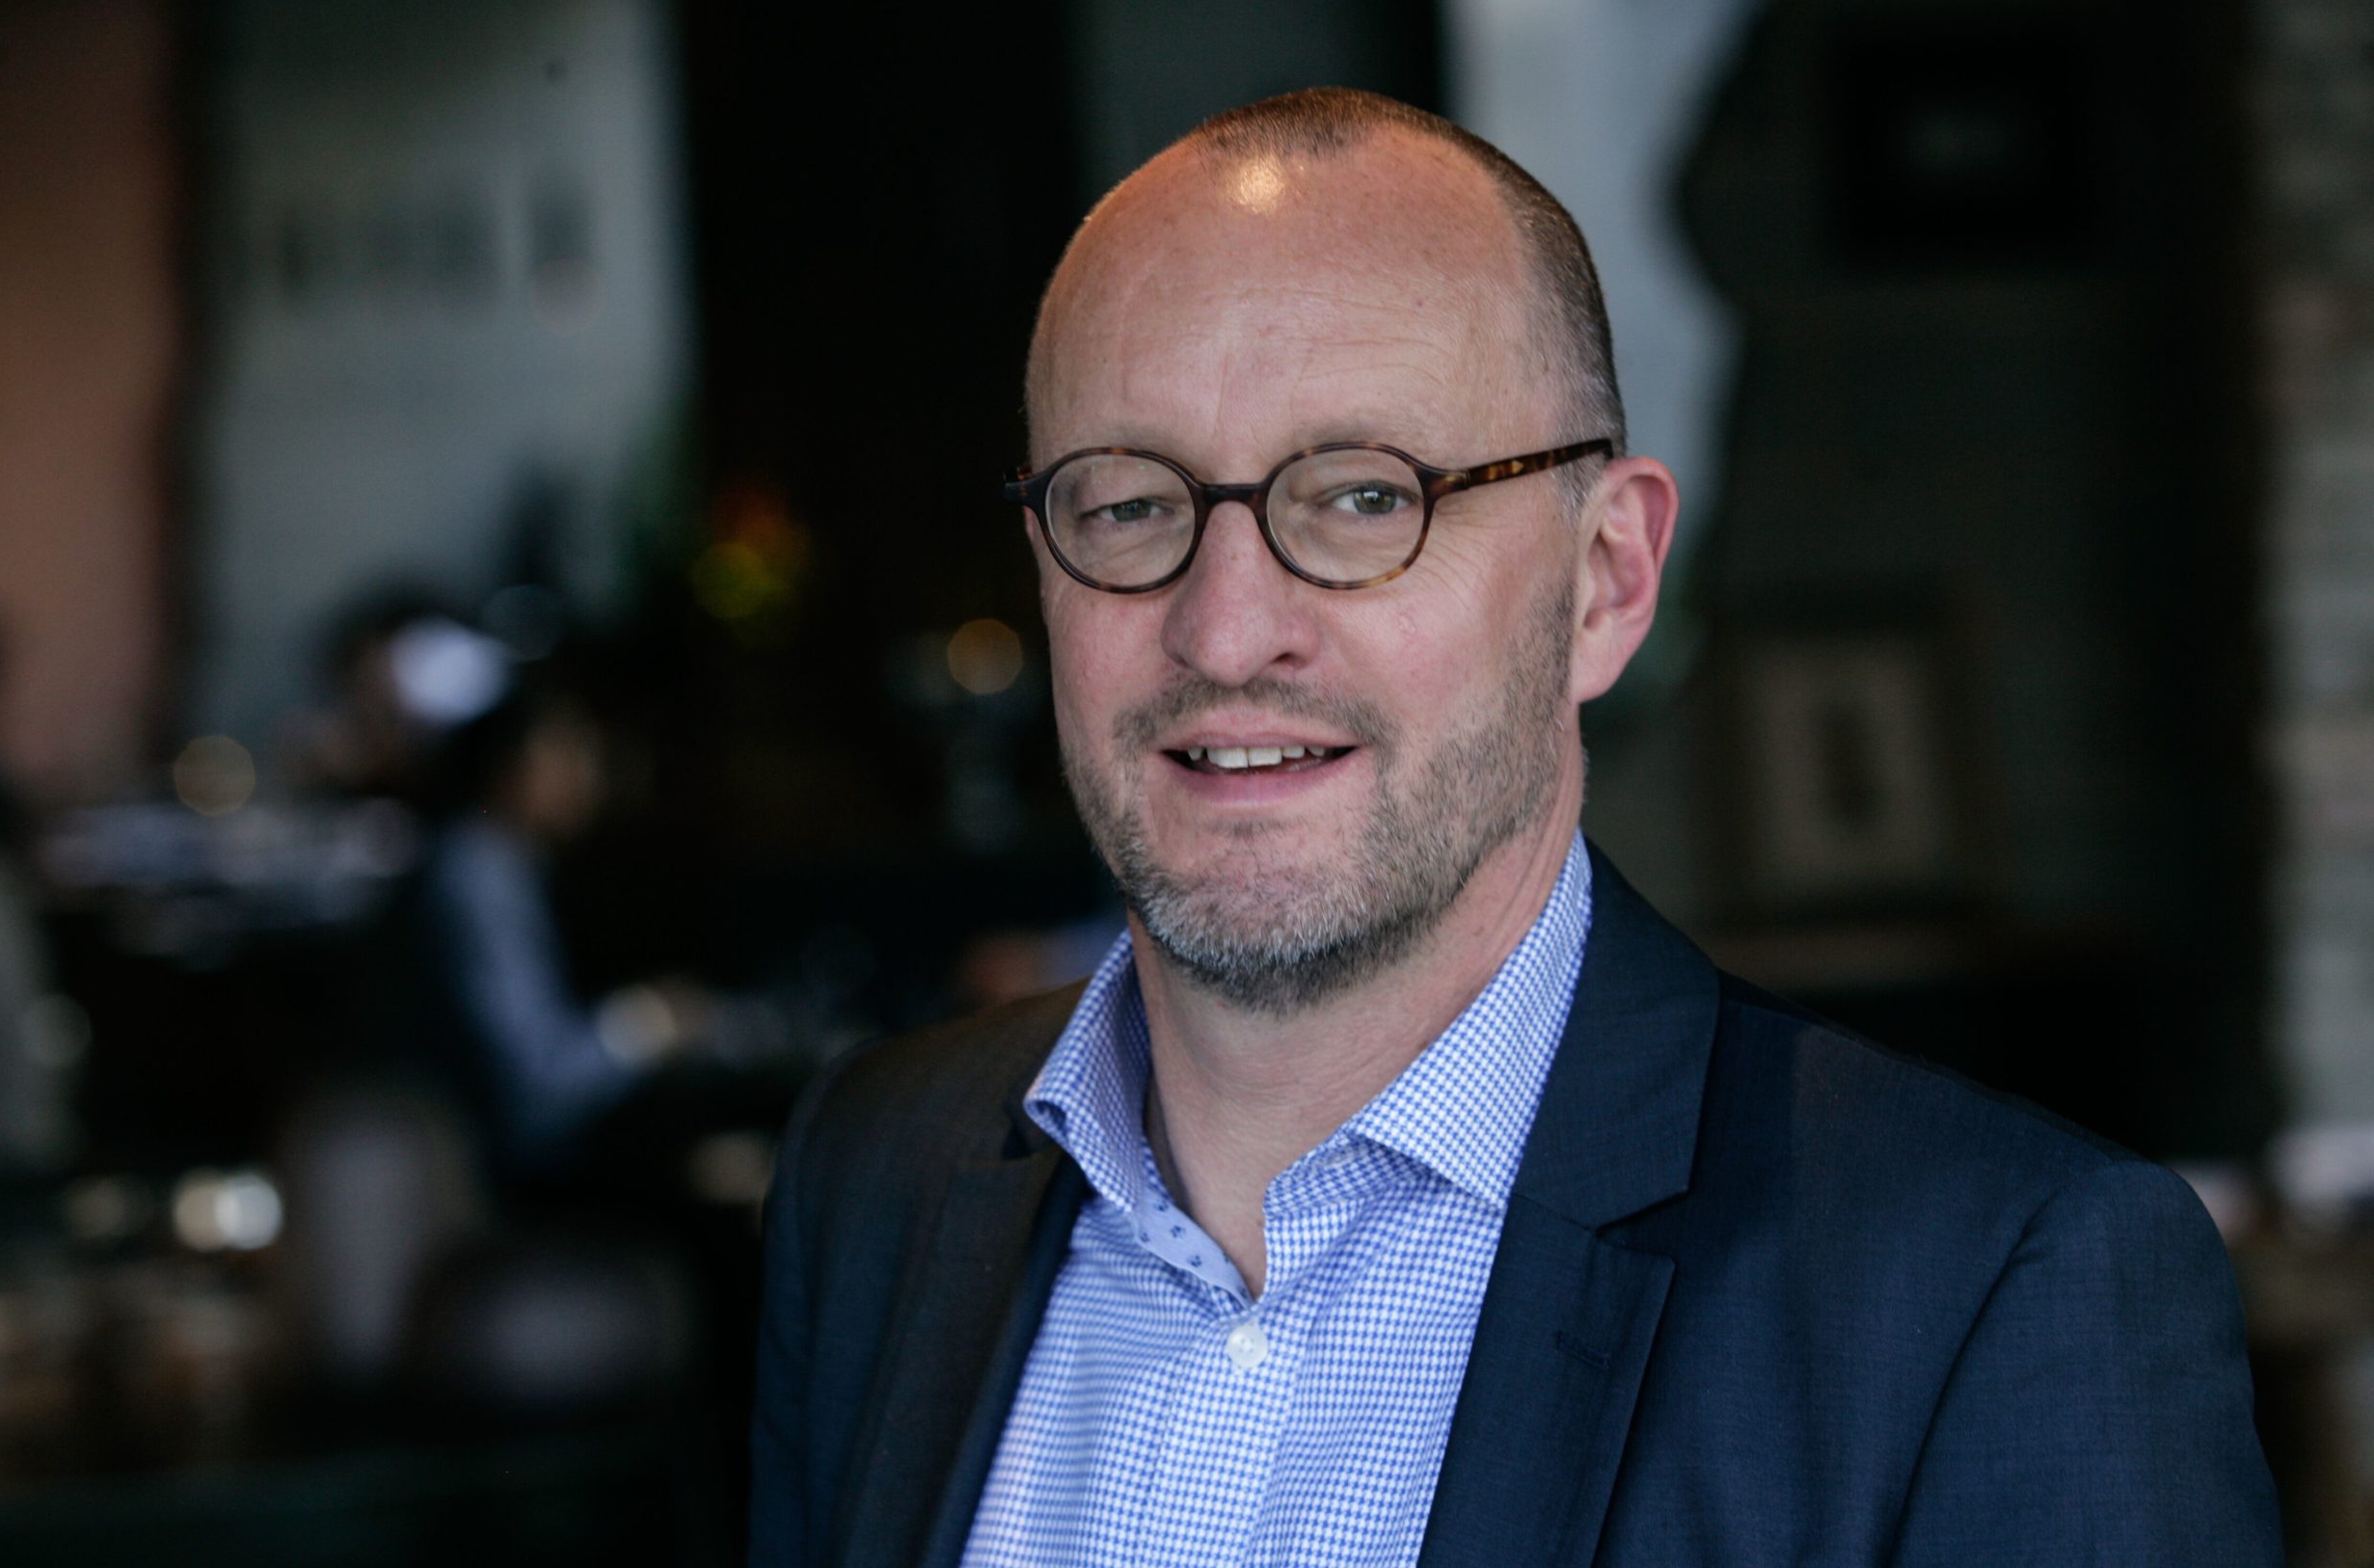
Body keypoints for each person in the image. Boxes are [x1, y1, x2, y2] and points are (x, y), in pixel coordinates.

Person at [750, 89, 2280, 1565]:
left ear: (1606, 580)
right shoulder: (878, 1175)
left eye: (1365, 497)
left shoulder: (1997, 1295)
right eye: (1130, 505)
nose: (1225, 629)